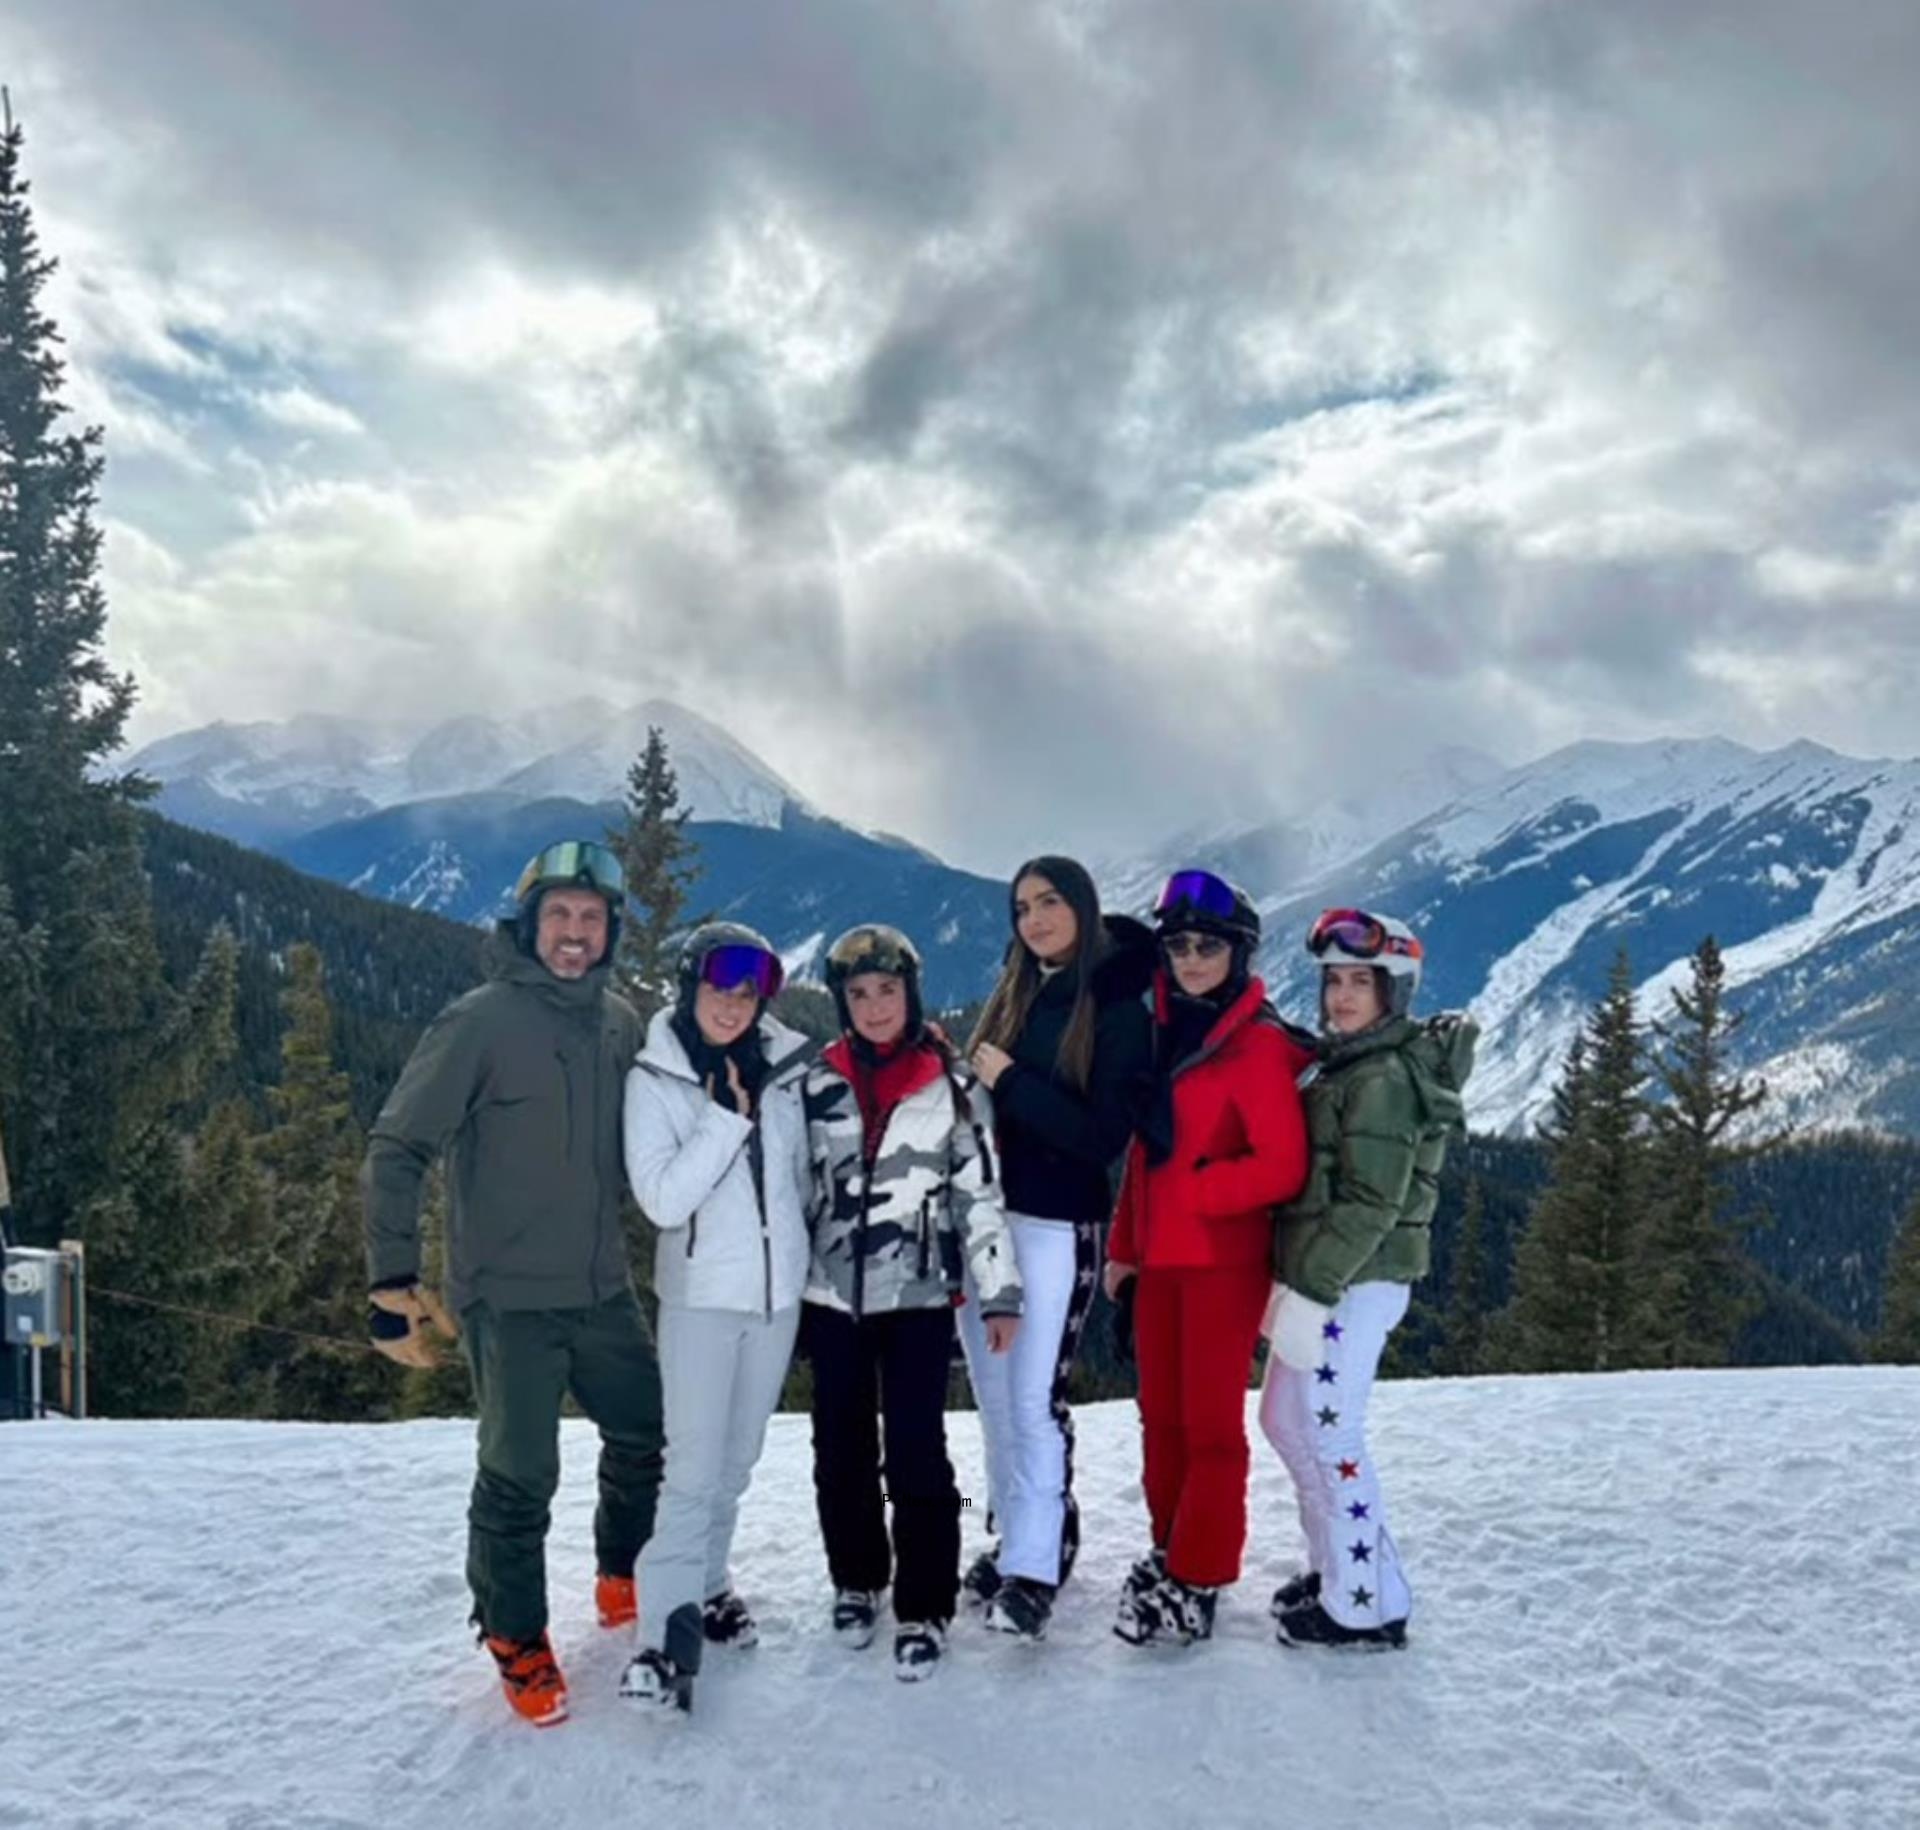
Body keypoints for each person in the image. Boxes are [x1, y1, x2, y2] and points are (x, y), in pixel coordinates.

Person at [362, 839, 663, 1728]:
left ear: (610, 933)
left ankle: (623, 1572)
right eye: (560, 916)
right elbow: (397, 1148)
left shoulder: (620, 1021)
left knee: (646, 1433)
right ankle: (515, 1634)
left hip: (603, 1286)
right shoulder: (480, 1021)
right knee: (519, 1474)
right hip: (510, 1298)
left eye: (592, 919)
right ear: (529, 924)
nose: (575, 933)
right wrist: (393, 1284)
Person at [801, 922, 1023, 1681]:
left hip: (920, 1300)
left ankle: (924, 1602)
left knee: (917, 1452)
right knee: (839, 1449)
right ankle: (858, 1578)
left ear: (911, 994)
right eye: (858, 994)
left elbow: (980, 1197)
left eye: (887, 991)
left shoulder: (953, 1088)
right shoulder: (817, 1084)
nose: (873, 1007)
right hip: (831, 1299)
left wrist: (999, 1295)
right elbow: (795, 1197)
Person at [1103, 870, 1312, 1646]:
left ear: (1239, 952)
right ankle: (1169, 1547)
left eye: (1208, 946)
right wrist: (1124, 1253)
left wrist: (1198, 1189)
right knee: (1160, 1417)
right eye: (1180, 945)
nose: (1192, 960)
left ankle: (1201, 1574)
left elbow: (1281, 1165)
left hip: (1223, 1266)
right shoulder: (1166, 1033)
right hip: (1159, 1264)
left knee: (1212, 1427)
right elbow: (1140, 1155)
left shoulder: (1255, 1047)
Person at [1261, 907, 1476, 1651]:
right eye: (1334, 981)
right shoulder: (1352, 1059)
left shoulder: (1381, 1076)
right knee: (1285, 1421)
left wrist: (1312, 1290)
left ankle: (1363, 1606)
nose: (1343, 996)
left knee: (1330, 1434)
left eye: (1362, 981)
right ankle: (1340, 1571)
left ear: (1395, 992)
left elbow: (1371, 1203)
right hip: (1331, 1274)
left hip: (1355, 1279)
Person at [617, 923, 814, 1714]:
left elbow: (802, 1177)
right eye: (717, 988)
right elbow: (662, 1198)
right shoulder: (656, 1078)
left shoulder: (789, 1067)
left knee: (737, 1460)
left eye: (747, 992)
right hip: (701, 1298)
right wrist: (726, 1121)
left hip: (776, 1297)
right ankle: (663, 1639)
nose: (732, 1005)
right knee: (692, 1471)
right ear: (687, 987)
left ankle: (709, 1583)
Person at [960, 855, 1152, 1640]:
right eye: (1021, 908)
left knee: (1035, 1399)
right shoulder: (1019, 991)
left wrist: (1007, 1082)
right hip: (986, 1224)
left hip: (1054, 1223)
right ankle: (1017, 1539)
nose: (1033, 920)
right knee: (996, 1401)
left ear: (1083, 907)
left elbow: (1100, 1136)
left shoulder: (1116, 1009)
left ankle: (1038, 1568)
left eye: (1048, 903)